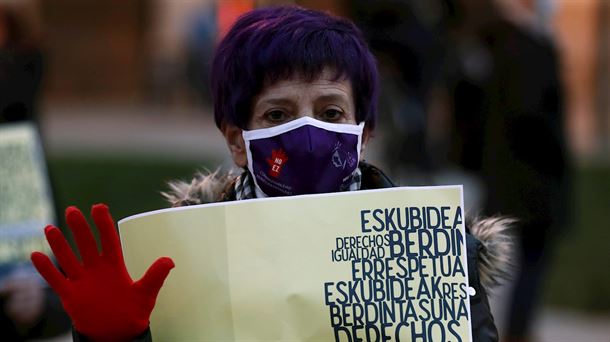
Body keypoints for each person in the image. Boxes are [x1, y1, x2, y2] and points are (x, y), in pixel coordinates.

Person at [30, 6, 512, 341]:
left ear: (363, 133)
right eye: (277, 114)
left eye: (331, 111)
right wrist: (114, 340)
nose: (307, 131)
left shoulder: (433, 252)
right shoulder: (181, 259)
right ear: (237, 140)